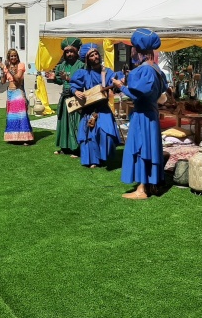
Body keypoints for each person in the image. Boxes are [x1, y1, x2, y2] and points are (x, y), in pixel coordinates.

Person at [112, 28, 168, 200]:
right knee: (149, 148)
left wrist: (121, 87)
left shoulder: (143, 70)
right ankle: (150, 184)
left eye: (133, 47)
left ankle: (142, 189)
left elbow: (137, 94)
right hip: (151, 115)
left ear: (138, 49)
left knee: (141, 148)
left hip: (142, 116)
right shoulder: (157, 69)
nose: (132, 50)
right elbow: (159, 91)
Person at [70, 44, 121, 168]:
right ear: (87, 59)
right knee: (89, 135)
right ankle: (93, 160)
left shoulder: (107, 72)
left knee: (106, 133)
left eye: (96, 53)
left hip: (103, 108)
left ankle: (103, 157)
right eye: (91, 55)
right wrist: (76, 92)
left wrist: (120, 82)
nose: (95, 56)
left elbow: (115, 82)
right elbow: (74, 86)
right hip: (88, 109)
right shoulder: (83, 73)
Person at [45, 38, 85, 156]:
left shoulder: (81, 65)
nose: (69, 54)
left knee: (75, 123)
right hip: (64, 98)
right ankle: (64, 147)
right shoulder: (62, 65)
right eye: (67, 52)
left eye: (72, 51)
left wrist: (69, 79)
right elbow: (59, 81)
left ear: (76, 51)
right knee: (64, 123)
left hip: (76, 98)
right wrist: (54, 78)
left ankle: (76, 149)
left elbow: (83, 81)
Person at [0, 49, 34, 144]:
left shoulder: (20, 65)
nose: (13, 57)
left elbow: (18, 79)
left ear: (17, 56)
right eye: (11, 56)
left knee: (21, 115)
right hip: (10, 93)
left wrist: (8, 69)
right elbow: (3, 82)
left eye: (15, 56)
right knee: (12, 116)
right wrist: (3, 70)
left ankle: (25, 138)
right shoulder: (7, 67)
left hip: (18, 92)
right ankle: (13, 137)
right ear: (9, 58)